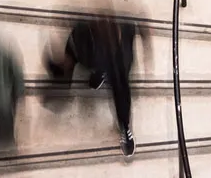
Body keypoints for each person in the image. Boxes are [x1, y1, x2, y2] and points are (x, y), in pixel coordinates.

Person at [45, 12, 148, 158]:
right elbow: (70, 52)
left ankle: (125, 128)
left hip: (117, 64)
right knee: (79, 57)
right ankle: (100, 72)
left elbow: (122, 96)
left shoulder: (122, 57)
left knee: (121, 93)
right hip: (97, 53)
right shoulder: (80, 34)